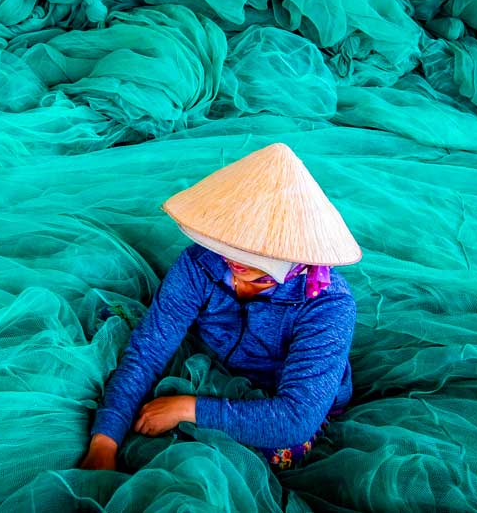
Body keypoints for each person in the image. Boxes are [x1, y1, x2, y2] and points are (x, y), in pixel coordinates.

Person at [81, 143, 362, 472]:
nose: (235, 259)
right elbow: (148, 351)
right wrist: (105, 439)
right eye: (231, 243)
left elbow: (296, 418)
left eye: (256, 252)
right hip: (210, 364)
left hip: (282, 402)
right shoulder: (199, 263)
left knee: (263, 455)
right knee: (124, 345)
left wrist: (187, 408)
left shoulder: (329, 305)